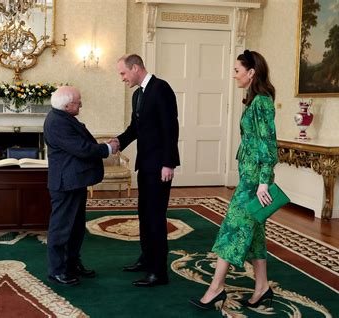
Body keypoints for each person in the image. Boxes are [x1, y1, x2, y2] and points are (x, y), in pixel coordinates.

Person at [189, 50, 277, 310]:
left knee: (231, 230)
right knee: (256, 234)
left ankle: (216, 289)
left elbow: (268, 145)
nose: (234, 75)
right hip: (248, 177)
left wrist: (263, 182)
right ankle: (262, 287)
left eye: (237, 70)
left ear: (251, 72)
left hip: (254, 183)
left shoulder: (262, 101)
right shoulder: (255, 101)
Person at [113, 54, 180, 287]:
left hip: (161, 166)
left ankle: (159, 272)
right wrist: (117, 143)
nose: (122, 78)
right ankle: (146, 258)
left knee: (155, 218)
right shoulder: (137, 95)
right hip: (146, 164)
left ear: (135, 68)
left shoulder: (161, 89)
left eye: (123, 73)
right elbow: (135, 129)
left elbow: (171, 127)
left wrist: (169, 163)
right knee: (144, 214)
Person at [44, 86, 118, 286]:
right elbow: (81, 148)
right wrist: (108, 148)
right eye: (78, 102)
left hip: (74, 181)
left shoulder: (63, 117)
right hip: (65, 184)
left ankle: (72, 264)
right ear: (67, 105)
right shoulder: (57, 122)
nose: (81, 104)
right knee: (61, 229)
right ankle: (57, 270)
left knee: (76, 228)